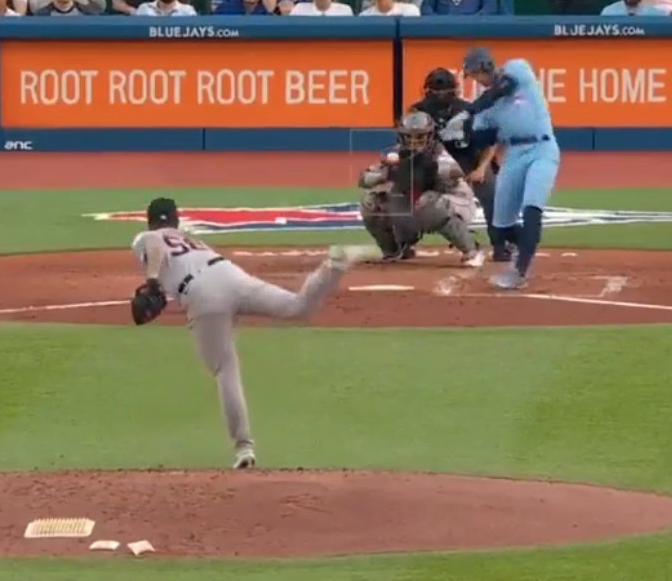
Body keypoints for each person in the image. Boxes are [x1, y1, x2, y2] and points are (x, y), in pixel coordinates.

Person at [127, 197, 381, 469]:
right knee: (297, 307)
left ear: (149, 221)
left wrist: (152, 281)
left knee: (224, 369)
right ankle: (333, 267)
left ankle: (243, 449)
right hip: (231, 275)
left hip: (202, 293)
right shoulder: (191, 240)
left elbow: (154, 242)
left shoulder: (146, 237)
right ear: (176, 220)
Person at [443, 50, 560, 290]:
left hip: (542, 148)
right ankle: (528, 242)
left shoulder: (517, 69)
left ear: (484, 67)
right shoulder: (487, 109)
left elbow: (503, 87)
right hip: (514, 155)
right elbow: (482, 138)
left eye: (475, 74)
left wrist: (470, 111)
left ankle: (520, 271)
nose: (477, 80)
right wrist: (462, 129)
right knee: (501, 227)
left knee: (531, 208)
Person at [355, 112, 486, 267]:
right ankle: (394, 250)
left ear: (430, 135)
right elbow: (364, 179)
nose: (414, 141)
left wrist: (428, 169)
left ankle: (471, 249)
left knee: (428, 201)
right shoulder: (396, 155)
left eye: (420, 136)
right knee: (370, 202)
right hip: (414, 207)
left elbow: (455, 173)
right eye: (409, 136)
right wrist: (386, 174)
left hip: (455, 203)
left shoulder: (438, 153)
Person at [409, 67, 507, 261]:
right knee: (406, 191)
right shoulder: (416, 112)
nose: (438, 96)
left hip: (469, 161)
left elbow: (490, 140)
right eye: (434, 92)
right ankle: (403, 241)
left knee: (491, 191)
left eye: (442, 92)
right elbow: (408, 144)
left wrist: (481, 168)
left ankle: (501, 244)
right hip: (434, 165)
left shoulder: (468, 111)